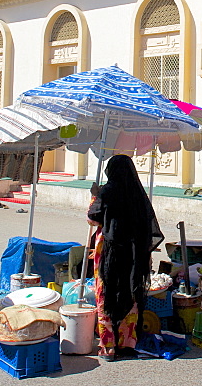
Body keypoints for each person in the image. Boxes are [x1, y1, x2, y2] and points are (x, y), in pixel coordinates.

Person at [87, 154, 164, 361]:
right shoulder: (138, 194)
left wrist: (95, 196)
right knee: (130, 293)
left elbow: (92, 219)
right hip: (133, 252)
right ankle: (127, 343)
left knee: (106, 293)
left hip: (109, 251)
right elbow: (147, 226)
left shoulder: (106, 192)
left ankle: (109, 347)